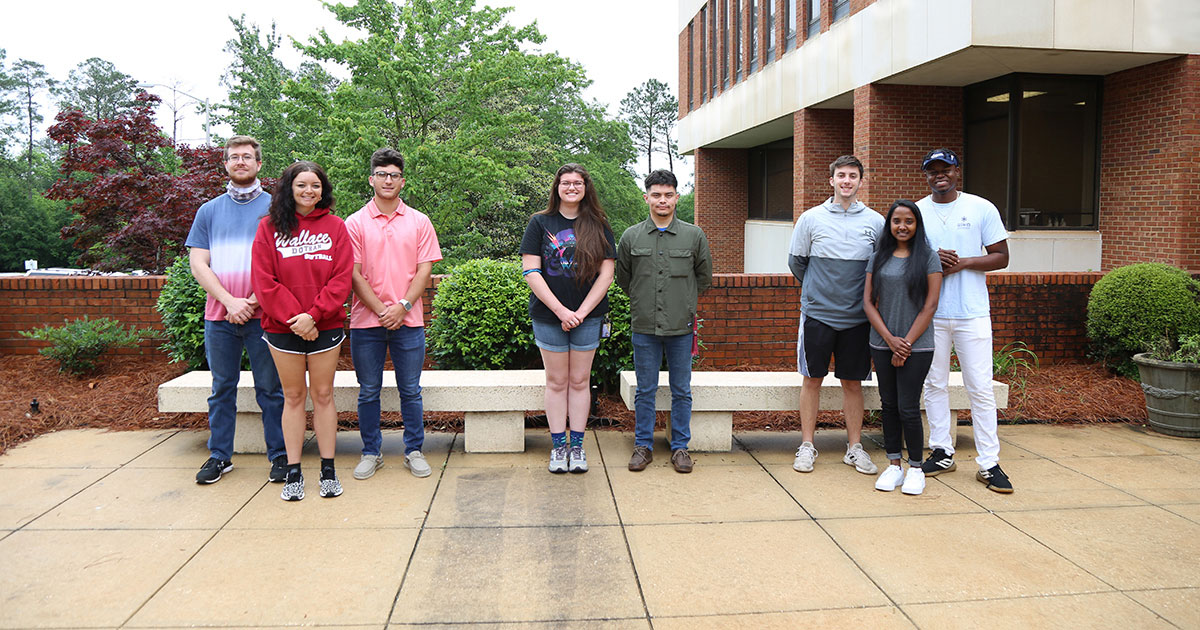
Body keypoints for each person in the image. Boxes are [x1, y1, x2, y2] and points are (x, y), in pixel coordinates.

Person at [186, 136, 287, 485]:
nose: (240, 161)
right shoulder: (208, 211)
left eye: (247, 157)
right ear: (226, 164)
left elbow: (285, 266)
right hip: (220, 318)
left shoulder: (277, 209)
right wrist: (230, 302)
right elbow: (199, 264)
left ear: (259, 164)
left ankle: (280, 456)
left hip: (266, 316)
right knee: (221, 388)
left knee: (271, 390)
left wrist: (252, 302)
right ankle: (219, 457)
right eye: (234, 157)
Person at [251, 161, 353, 501]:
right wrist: (297, 317)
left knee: (323, 395)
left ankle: (328, 470)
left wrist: (315, 315)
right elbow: (264, 282)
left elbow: (341, 278)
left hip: (325, 325)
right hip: (283, 328)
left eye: (315, 185)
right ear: (288, 188)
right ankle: (293, 472)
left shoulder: (336, 227)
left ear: (323, 190)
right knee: (293, 397)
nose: (309, 191)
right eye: (302, 185)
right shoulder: (268, 228)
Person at [915, 148, 1013, 493]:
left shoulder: (980, 207)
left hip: (972, 312)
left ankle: (989, 463)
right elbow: (901, 256)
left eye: (946, 168)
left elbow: (1002, 257)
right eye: (932, 170)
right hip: (931, 312)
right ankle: (942, 451)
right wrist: (929, 257)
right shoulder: (918, 211)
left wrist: (965, 262)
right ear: (926, 175)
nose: (939, 175)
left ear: (957, 171)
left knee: (980, 387)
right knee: (934, 384)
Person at [346, 148, 442, 481]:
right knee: (368, 390)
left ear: (403, 181)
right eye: (382, 174)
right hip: (365, 323)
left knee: (411, 390)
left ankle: (413, 450)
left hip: (409, 321)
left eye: (394, 175)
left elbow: (424, 269)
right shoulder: (355, 222)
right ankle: (371, 451)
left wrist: (401, 306)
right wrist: (381, 310)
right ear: (371, 178)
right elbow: (354, 274)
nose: (388, 180)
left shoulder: (419, 221)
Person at [788, 155, 884, 475]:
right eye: (841, 175)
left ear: (860, 181)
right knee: (811, 379)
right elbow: (797, 263)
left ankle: (854, 447)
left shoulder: (875, 222)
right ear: (831, 181)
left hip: (857, 318)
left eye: (852, 176)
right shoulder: (811, 219)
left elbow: (880, 268)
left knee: (852, 383)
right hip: (817, 314)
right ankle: (806, 445)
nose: (846, 181)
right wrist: (820, 290)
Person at [519, 163, 616, 474]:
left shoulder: (598, 223)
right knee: (556, 381)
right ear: (556, 187)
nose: (572, 187)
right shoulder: (539, 222)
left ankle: (578, 447)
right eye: (566, 183)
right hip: (549, 317)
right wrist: (561, 311)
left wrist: (581, 312)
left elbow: (607, 274)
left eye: (578, 183)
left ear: (586, 187)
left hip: (588, 317)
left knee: (579, 381)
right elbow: (531, 271)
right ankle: (558, 447)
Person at [616, 169, 712, 473]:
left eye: (668, 194)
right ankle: (642, 446)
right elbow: (624, 279)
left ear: (676, 198)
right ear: (646, 198)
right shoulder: (631, 236)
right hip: (644, 326)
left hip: (681, 328)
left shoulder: (693, 235)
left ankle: (680, 447)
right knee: (645, 389)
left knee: (681, 388)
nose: (662, 200)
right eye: (656, 194)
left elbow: (704, 278)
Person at [863, 200, 942, 495]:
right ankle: (894, 465)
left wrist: (905, 344)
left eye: (909, 221)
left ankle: (916, 469)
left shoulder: (928, 258)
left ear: (917, 224)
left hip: (917, 347)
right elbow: (868, 303)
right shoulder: (879, 257)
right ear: (890, 224)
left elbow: (930, 305)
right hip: (882, 344)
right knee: (889, 405)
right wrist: (890, 341)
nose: (902, 226)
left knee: (908, 407)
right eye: (897, 220)